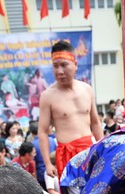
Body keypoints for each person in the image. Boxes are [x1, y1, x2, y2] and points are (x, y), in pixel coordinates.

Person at [38, 40, 104, 179]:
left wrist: (104, 148)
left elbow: (96, 123)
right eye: (55, 66)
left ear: (75, 65)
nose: (59, 71)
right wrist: (48, 164)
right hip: (67, 155)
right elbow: (43, 132)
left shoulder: (86, 89)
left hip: (90, 151)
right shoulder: (47, 96)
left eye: (64, 65)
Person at [30, 121, 57, 190]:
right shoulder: (51, 140)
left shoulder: (32, 145)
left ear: (32, 133)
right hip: (54, 172)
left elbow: (33, 163)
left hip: (41, 174)